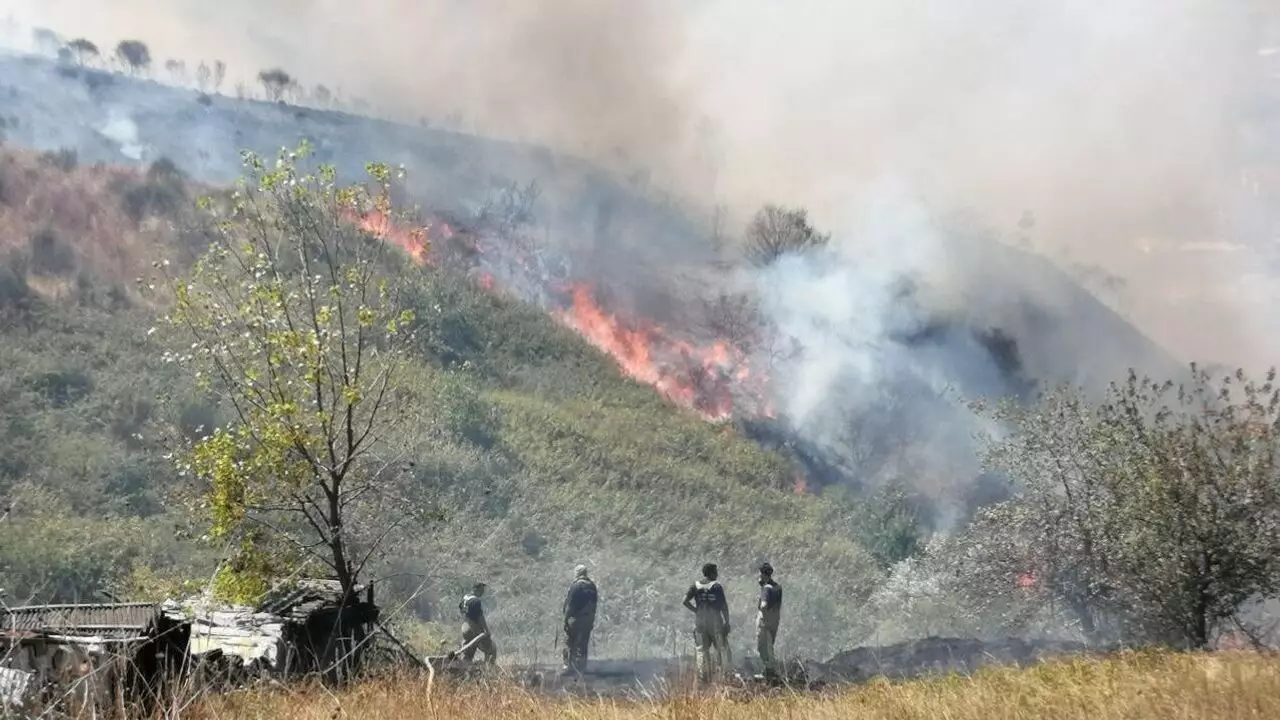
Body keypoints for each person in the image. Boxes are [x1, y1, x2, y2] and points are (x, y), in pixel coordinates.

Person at [682, 562, 732, 682]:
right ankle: (725, 676)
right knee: (722, 648)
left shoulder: (695, 585)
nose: (717, 574)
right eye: (716, 571)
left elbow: (684, 601)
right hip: (715, 622)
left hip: (700, 621)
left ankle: (703, 677)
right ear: (711, 573)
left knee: (702, 650)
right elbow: (724, 606)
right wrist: (727, 621)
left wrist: (696, 611)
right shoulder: (716, 586)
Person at [562, 564, 599, 674]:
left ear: (577, 573)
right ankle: (582, 667)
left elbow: (570, 605)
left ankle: (569, 666)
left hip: (576, 618)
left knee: (570, 642)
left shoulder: (576, 586)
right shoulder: (592, 586)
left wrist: (565, 619)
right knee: (583, 643)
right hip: (588, 618)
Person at [756, 562, 783, 681]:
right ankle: (768, 671)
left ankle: (771, 672)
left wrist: (763, 614)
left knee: (763, 647)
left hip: (765, 621)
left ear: (763, 574)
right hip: (775, 620)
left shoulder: (767, 588)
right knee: (770, 645)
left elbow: (763, 605)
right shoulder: (777, 587)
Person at [459, 582, 497, 664]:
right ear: (475, 589)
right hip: (473, 628)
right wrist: (486, 630)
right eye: (481, 590)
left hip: (464, 627)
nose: (482, 592)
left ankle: (465, 668)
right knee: (492, 649)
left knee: (468, 653)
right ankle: (488, 669)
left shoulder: (465, 598)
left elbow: (462, 610)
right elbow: (480, 617)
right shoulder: (476, 601)